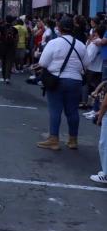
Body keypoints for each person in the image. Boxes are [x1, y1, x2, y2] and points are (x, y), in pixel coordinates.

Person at [35, 17, 86, 151]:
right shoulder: (81, 44)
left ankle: (53, 139)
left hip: (57, 80)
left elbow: (43, 63)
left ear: (59, 27)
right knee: (73, 111)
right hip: (75, 80)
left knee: (55, 110)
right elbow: (85, 64)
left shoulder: (54, 43)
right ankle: (73, 140)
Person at [0, 16, 18, 85]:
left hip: (3, 46)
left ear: (5, 20)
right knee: (9, 62)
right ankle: (8, 78)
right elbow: (16, 39)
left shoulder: (1, 27)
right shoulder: (14, 29)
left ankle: (3, 77)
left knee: (3, 62)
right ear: (12, 21)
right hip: (11, 47)